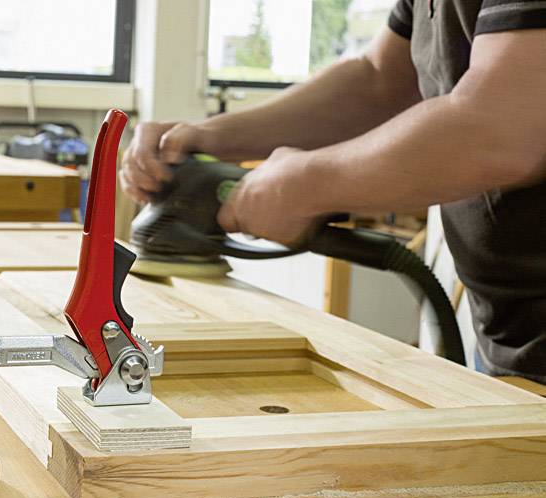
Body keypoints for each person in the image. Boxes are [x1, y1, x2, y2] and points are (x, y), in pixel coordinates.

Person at [120, 0, 546, 383]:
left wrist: (300, 184)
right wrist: (209, 136)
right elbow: (378, 82)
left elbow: (502, 130)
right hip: (511, 338)